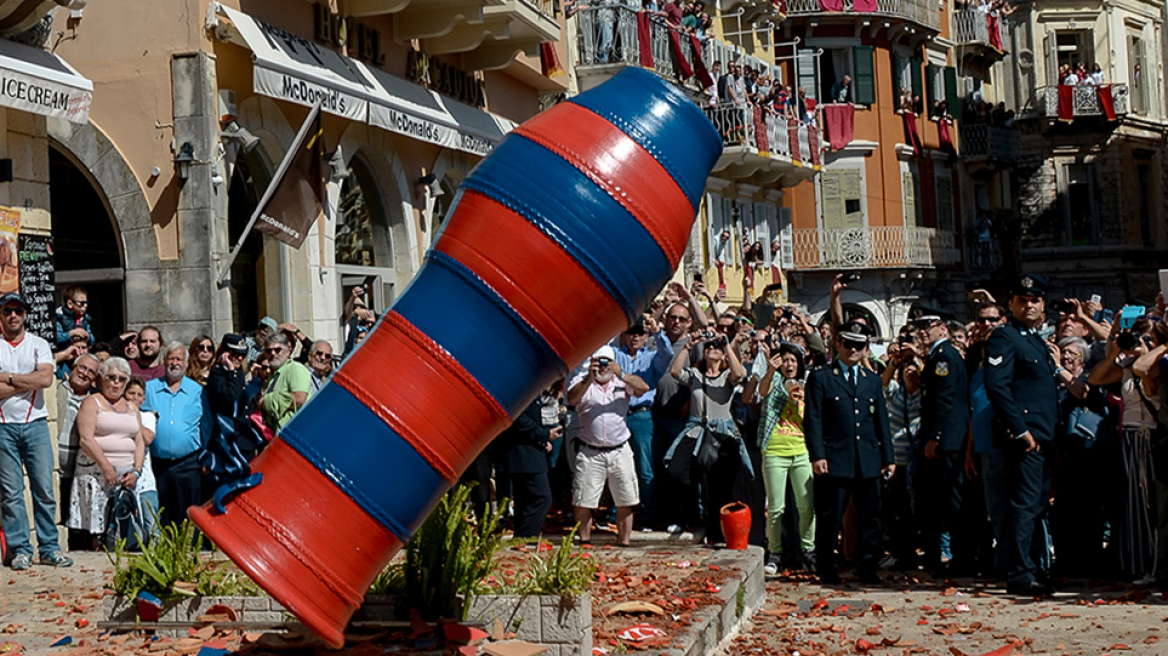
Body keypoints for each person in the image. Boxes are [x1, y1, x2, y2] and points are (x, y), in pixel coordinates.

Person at [983, 274, 1060, 596]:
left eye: (1035, 300)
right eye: (1023, 300)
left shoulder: (1034, 339)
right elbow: (997, 386)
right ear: (1011, 304)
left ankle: (1033, 566)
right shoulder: (1005, 337)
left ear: (1042, 305)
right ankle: (1019, 573)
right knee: (1025, 505)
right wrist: (1020, 430)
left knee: (1037, 505)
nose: (1029, 306)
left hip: (1044, 435)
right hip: (1026, 438)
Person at [804, 320, 895, 585]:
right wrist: (817, 454)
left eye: (860, 345)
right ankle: (827, 567)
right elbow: (813, 420)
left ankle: (867, 567)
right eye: (849, 344)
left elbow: (881, 421)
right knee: (831, 516)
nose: (853, 350)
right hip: (835, 458)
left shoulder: (872, 381)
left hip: (868, 458)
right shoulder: (822, 377)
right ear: (838, 344)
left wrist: (888, 457)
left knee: (871, 517)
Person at [1087, 316, 1165, 584]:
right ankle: (1141, 564)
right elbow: (1095, 378)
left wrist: (1148, 353)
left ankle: (1157, 564)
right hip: (1131, 436)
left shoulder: (1156, 366)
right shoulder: (1128, 366)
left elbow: (1149, 381)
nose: (1139, 341)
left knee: (1152, 501)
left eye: (1147, 337)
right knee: (1136, 501)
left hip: (1152, 436)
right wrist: (1117, 352)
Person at [0, 292, 70, 569]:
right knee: (11, 492)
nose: (13, 316)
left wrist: (10, 379)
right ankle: (20, 549)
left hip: (36, 424)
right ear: (1, 315)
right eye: (7, 311)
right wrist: (28, 381)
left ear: (26, 314)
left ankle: (49, 547)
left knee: (43, 488)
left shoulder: (38, 344)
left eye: (18, 310)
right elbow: (37, 379)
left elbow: (45, 378)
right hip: (3, 426)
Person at [666, 329, 754, 544]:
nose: (712, 349)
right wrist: (689, 345)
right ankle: (690, 516)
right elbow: (675, 372)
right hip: (696, 430)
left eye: (716, 348)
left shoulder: (726, 376)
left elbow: (739, 374)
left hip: (723, 433)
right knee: (679, 471)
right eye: (709, 347)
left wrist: (727, 345)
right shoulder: (696, 374)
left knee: (719, 486)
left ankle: (717, 532)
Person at [567, 345, 649, 547]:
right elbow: (572, 398)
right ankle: (584, 540)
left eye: (606, 362)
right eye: (599, 362)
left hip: (619, 449)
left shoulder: (621, 382)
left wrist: (621, 374)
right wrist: (589, 376)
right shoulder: (581, 381)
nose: (603, 367)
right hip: (590, 451)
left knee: (625, 498)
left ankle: (625, 542)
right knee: (584, 500)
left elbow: (643, 388)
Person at [909, 304, 970, 574]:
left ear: (942, 329)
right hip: (942, 439)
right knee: (935, 500)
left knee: (950, 501)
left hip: (947, 441)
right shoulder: (935, 356)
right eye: (919, 328)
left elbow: (944, 400)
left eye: (928, 327)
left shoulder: (944, 356)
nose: (922, 332)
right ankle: (941, 556)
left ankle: (960, 558)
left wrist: (935, 436)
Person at [67, 357, 145, 548]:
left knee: (123, 526)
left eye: (121, 379)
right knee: (98, 529)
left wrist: (137, 470)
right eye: (111, 377)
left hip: (126, 476)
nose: (116, 383)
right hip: (96, 474)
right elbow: (86, 438)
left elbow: (139, 440)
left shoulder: (132, 408)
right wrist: (106, 467)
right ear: (102, 378)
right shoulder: (92, 403)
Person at [756, 342, 813, 574]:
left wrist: (801, 400)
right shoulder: (774, 382)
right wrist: (770, 371)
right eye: (785, 360)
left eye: (793, 360)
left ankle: (809, 550)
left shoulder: (808, 384)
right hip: (774, 451)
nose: (789, 364)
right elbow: (761, 392)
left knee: (806, 506)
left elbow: (812, 418)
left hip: (801, 450)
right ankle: (775, 553)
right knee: (776, 507)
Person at [612, 317, 672, 527]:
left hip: (642, 415)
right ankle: (615, 514)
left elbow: (668, 355)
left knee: (645, 468)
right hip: (616, 413)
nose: (635, 336)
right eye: (631, 332)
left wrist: (658, 332)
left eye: (639, 333)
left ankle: (649, 516)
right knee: (615, 465)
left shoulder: (652, 357)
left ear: (646, 336)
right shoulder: (616, 355)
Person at [143, 342, 207, 529]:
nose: (174, 363)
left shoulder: (198, 391)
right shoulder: (149, 389)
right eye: (171, 358)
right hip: (158, 464)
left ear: (186, 363)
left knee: (188, 516)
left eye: (179, 359)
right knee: (163, 515)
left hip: (188, 463)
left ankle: (190, 555)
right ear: (164, 361)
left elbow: (207, 426)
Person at [492, 386, 560, 538]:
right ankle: (527, 536)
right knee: (541, 497)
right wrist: (544, 434)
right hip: (522, 452)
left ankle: (522, 537)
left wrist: (542, 440)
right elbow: (519, 419)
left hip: (528, 449)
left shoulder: (529, 389)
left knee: (525, 498)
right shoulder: (519, 390)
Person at [56, 353, 99, 531]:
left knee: (73, 518)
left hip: (78, 472)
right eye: (82, 367)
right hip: (53, 469)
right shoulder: (54, 388)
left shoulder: (96, 400)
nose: (84, 373)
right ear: (73, 367)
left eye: (91, 372)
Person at [259, 333, 313, 431]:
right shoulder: (274, 374)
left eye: (277, 350)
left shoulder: (295, 368)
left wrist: (266, 401)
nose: (273, 353)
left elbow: (300, 398)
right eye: (269, 351)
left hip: (293, 433)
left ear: (287, 351)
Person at [54, 285, 93, 353]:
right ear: (70, 303)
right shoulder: (60, 317)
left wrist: (87, 336)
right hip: (64, 356)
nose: (85, 306)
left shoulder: (84, 319)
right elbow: (56, 339)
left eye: (86, 303)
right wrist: (72, 333)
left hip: (81, 353)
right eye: (82, 303)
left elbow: (92, 339)